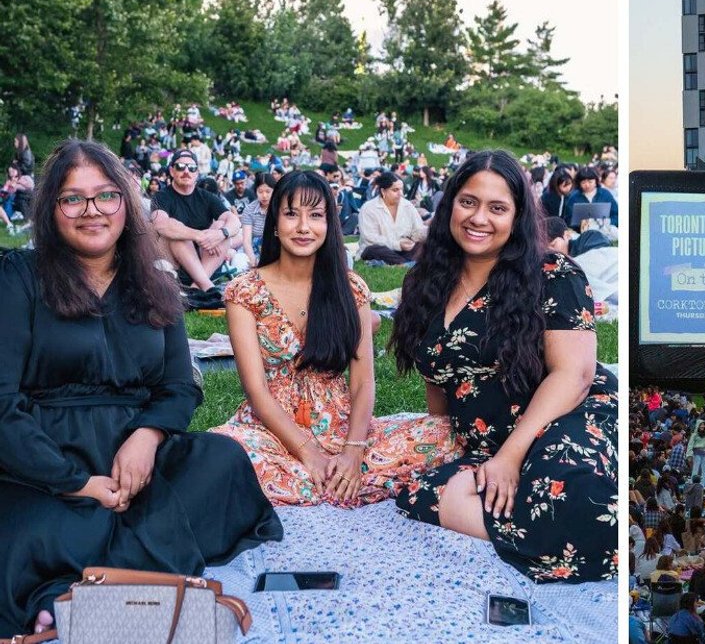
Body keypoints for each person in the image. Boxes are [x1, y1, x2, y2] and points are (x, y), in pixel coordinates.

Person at [0, 140, 282, 638]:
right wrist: (75, 482)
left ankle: (81, 588)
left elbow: (179, 386)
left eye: (107, 196)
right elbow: (3, 403)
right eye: (73, 199)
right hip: (43, 464)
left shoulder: (156, 280)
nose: (93, 211)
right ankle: (94, 587)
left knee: (223, 462)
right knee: (34, 524)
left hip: (138, 461)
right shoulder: (19, 277)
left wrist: (148, 436)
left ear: (127, 206)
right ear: (51, 209)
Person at [390, 150, 618, 582]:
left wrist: (510, 458)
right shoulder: (423, 281)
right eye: (468, 202)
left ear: (518, 216)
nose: (479, 218)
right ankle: (523, 522)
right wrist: (443, 441)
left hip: (561, 418)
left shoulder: (555, 272)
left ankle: (518, 516)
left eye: (497, 208)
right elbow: (437, 376)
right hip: (482, 443)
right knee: (413, 485)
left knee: (584, 500)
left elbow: (575, 375)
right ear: (450, 204)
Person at [210, 171, 460, 506]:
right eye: (291, 214)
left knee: (446, 434)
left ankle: (337, 480)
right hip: (270, 432)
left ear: (329, 224)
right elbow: (256, 391)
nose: (303, 227)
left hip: (343, 428)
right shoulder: (244, 291)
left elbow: (363, 384)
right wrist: (307, 452)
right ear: (273, 223)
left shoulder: (351, 288)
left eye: (315, 216)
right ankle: (336, 484)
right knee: (218, 453)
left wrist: (353, 452)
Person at [150, 147, 242, 291]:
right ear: (172, 171)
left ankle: (195, 288)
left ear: (197, 173)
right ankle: (206, 287)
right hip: (175, 262)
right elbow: (160, 224)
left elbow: (235, 221)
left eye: (192, 168)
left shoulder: (206, 196)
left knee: (221, 225)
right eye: (180, 167)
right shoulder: (162, 196)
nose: (186, 171)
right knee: (176, 229)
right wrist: (200, 236)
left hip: (205, 261)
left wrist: (219, 234)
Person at [357, 171, 425, 265]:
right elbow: (370, 238)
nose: (400, 193)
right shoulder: (368, 208)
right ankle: (406, 264)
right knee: (373, 249)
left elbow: (418, 230)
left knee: (423, 245)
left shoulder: (407, 205)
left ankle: (403, 264)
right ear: (383, 191)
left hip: (404, 250)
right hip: (381, 250)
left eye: (401, 189)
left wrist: (425, 234)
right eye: (395, 190)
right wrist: (397, 244)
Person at [240, 172, 276, 268]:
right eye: (260, 192)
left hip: (275, 248)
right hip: (255, 249)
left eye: (268, 192)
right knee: (240, 261)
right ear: (255, 191)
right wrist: (252, 259)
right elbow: (247, 240)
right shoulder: (249, 209)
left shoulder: (280, 208)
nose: (264, 196)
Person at [565, 165, 618, 230]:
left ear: (596, 181)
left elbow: (616, 215)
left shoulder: (605, 194)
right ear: (579, 183)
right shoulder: (573, 197)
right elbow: (567, 219)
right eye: (583, 183)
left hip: (604, 229)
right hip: (581, 231)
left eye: (590, 182)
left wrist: (607, 222)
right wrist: (580, 224)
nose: (587, 185)